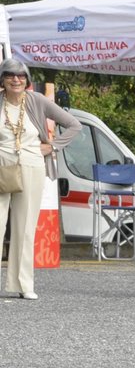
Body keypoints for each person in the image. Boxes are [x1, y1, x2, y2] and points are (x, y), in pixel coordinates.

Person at [0, 57, 80, 300]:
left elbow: (74, 125)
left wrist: (53, 147)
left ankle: (23, 284)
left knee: (25, 228)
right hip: (2, 165)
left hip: (32, 165)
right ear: (2, 79)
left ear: (27, 80)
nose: (16, 79)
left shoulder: (36, 100)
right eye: (11, 75)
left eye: (21, 76)